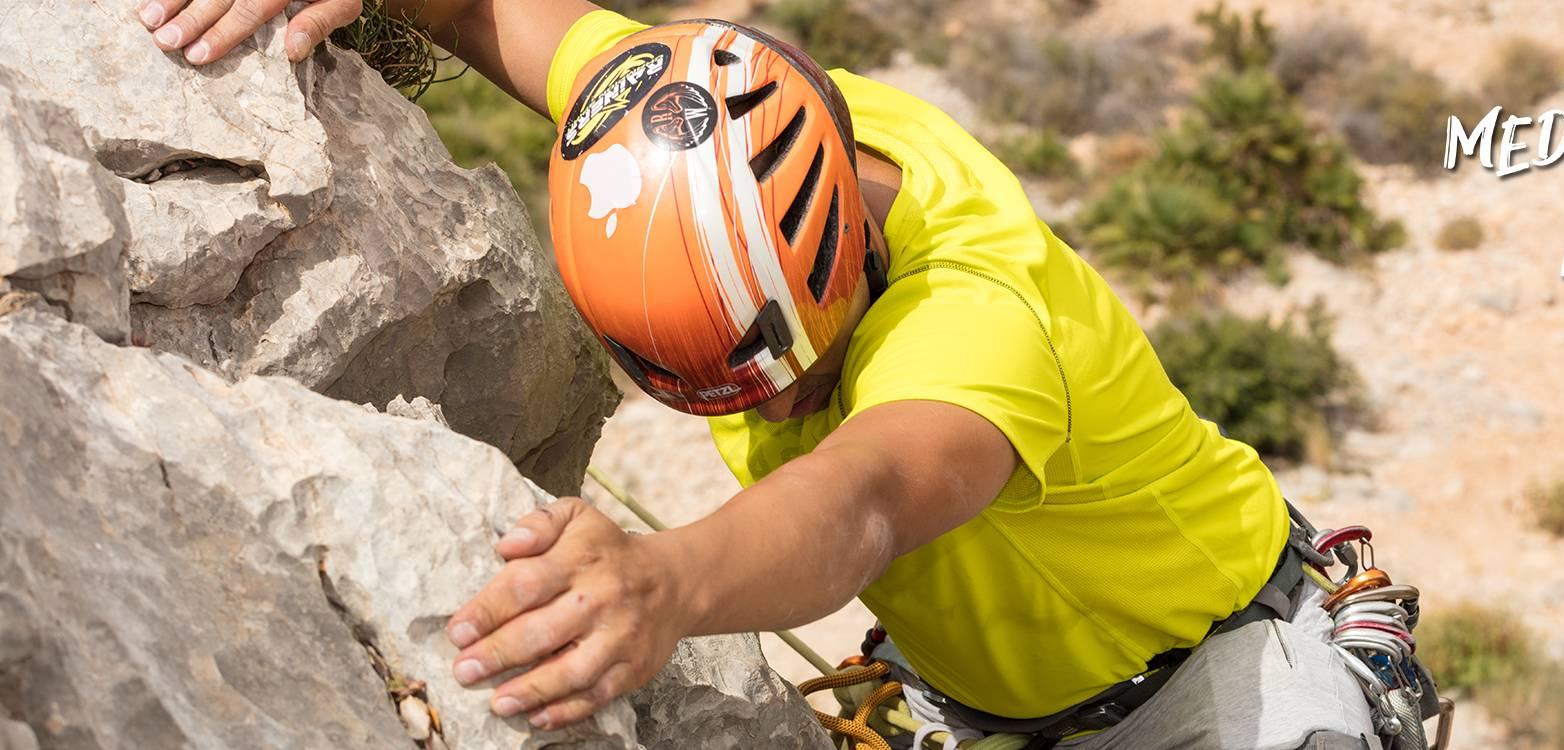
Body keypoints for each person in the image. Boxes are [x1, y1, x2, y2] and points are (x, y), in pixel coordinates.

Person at [137, 1, 1389, 746]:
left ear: (852, 251)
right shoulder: (703, 114)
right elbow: (479, 13)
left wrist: (665, 581)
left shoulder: (977, 326)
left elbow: (864, 500)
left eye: (782, 374)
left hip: (1222, 681)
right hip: (997, 711)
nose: (774, 411)